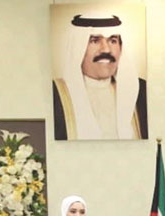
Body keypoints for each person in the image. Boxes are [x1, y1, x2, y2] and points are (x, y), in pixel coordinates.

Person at [52, 12, 148, 140]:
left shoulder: (141, 91)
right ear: (78, 47)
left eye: (113, 41)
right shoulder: (57, 94)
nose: (106, 49)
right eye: (95, 41)